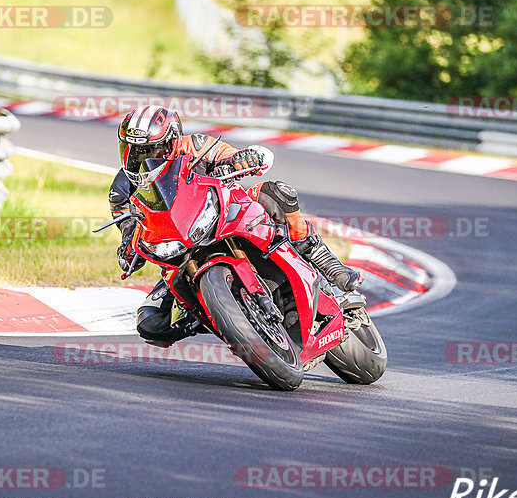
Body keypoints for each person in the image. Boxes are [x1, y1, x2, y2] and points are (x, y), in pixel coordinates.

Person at [109, 105, 362, 346]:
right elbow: (128, 227)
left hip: (225, 216)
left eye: (151, 150)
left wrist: (242, 160)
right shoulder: (121, 189)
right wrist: (128, 247)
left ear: (173, 141)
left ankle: (325, 261)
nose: (141, 158)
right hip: (180, 252)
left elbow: (228, 155)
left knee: (275, 192)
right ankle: (214, 316)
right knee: (149, 322)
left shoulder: (195, 146)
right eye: (134, 151)